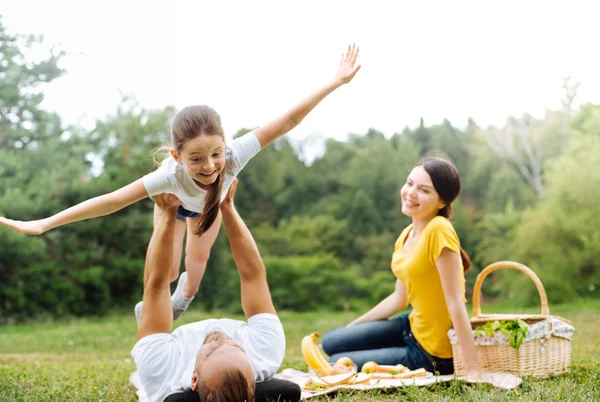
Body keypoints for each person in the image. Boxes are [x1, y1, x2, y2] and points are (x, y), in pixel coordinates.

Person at [0, 44, 361, 319]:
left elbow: (288, 121)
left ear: (225, 144)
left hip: (209, 212)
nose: (210, 166)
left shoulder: (235, 153)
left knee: (193, 274)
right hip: (175, 212)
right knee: (168, 270)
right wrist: (46, 223)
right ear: (177, 156)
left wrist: (335, 81)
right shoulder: (167, 176)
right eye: (196, 159)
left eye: (215, 154)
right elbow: (111, 200)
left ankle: (180, 303)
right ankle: (156, 306)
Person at [321, 156, 483, 378]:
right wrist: (354, 327)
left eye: (424, 190)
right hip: (410, 326)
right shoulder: (406, 235)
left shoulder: (439, 230)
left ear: (442, 202)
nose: (411, 193)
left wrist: (473, 369)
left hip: (432, 353)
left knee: (334, 362)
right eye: (409, 183)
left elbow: (455, 302)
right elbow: (399, 298)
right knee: (331, 342)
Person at [133, 179, 286, 402]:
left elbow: (157, 284)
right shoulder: (264, 353)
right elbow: (253, 274)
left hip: (164, 350)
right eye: (236, 347)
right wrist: (228, 207)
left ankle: (153, 321)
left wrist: (167, 214)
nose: (223, 336)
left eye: (213, 349)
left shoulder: (161, 370)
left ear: (194, 379)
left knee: (155, 295)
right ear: (253, 372)